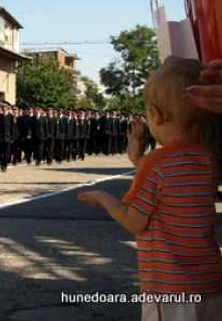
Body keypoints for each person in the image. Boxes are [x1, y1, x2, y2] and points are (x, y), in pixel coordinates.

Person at [78, 57, 222, 320]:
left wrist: (103, 198)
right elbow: (174, 187)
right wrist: (139, 161)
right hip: (210, 284)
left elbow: (135, 221)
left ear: (155, 115)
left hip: (169, 290)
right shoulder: (207, 158)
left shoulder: (156, 164)